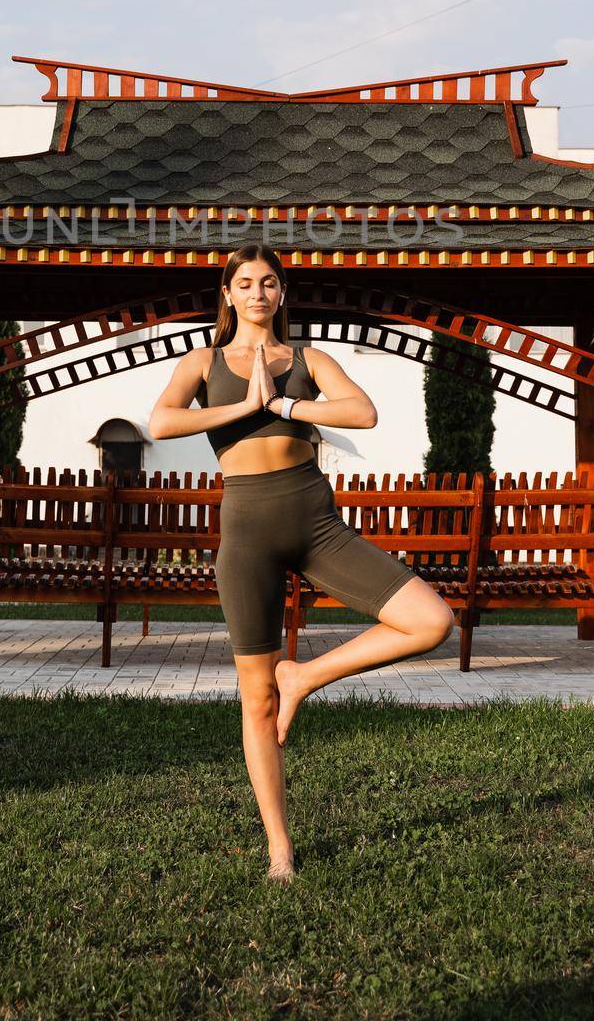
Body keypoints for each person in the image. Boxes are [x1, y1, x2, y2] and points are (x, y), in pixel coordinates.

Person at [148, 242, 455, 882]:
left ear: (281, 294)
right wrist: (244, 405)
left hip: (315, 521)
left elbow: (363, 412)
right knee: (254, 700)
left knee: (431, 621)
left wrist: (286, 404)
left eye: (269, 283)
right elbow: (162, 423)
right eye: (246, 283)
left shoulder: (310, 359)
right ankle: (279, 849)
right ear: (228, 295)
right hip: (248, 529)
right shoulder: (203, 361)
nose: (258, 293)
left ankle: (307, 678)